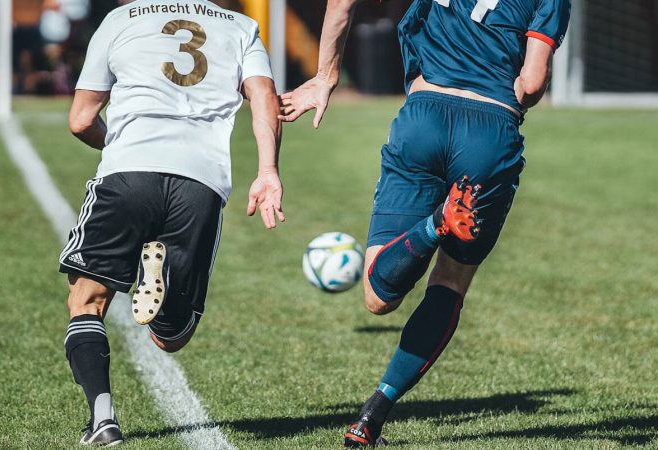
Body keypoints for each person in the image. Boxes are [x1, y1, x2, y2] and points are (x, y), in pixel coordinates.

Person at [280, 0, 570, 446]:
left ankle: (435, 223)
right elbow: (531, 84)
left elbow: (342, 3)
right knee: (451, 282)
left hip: (424, 118)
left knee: (378, 298)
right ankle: (374, 412)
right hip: (490, 131)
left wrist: (326, 77)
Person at [61, 0, 283, 445]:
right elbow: (264, 98)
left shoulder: (120, 19)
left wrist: (120, 147)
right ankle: (154, 272)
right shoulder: (242, 26)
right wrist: (267, 171)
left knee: (86, 300)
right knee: (172, 336)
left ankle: (102, 418)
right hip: (200, 183)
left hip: (129, 171)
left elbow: (81, 119)